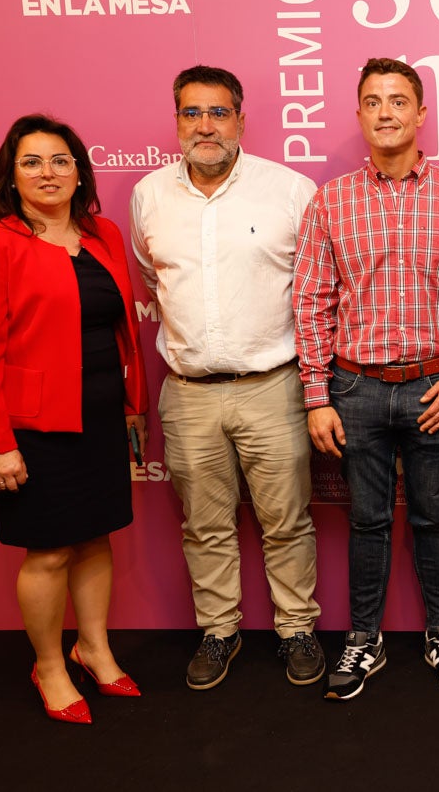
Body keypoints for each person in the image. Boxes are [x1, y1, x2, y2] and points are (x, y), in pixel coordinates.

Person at [131, 66, 324, 690]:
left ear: (241, 119)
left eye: (218, 113)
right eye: (192, 114)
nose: (205, 126)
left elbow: (317, 290)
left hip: (275, 385)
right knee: (204, 524)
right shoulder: (150, 195)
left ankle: (297, 628)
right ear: (177, 121)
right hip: (188, 393)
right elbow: (150, 278)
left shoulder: (290, 191)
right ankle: (219, 630)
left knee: (287, 520)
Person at [295, 58, 439, 700]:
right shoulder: (332, 201)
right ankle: (364, 640)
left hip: (438, 389)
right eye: (372, 101)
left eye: (398, 100)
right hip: (357, 391)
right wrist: (317, 398)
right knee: (368, 520)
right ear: (359, 116)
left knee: (434, 517)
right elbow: (314, 303)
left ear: (421, 113)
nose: (386, 112)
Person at [0, 114, 149, 724]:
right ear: (10, 176)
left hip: (98, 415)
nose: (48, 173)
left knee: (96, 537)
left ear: (79, 171)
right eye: (31, 162)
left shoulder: (103, 234)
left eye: (60, 160)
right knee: (49, 552)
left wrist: (132, 407)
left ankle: (92, 648)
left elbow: (122, 332)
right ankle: (49, 665)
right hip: (34, 426)